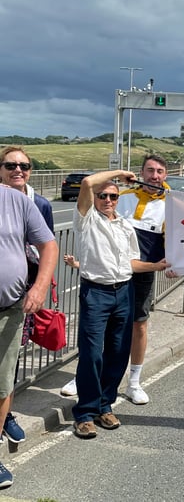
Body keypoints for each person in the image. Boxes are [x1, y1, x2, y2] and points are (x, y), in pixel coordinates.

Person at [61, 154, 171, 405]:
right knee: (98, 330)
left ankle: (133, 382)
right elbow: (98, 212)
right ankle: (85, 377)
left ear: (165, 175)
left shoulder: (173, 203)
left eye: (160, 171)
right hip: (110, 274)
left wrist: (171, 265)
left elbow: (177, 242)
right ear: (141, 173)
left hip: (142, 271)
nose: (154, 176)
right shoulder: (123, 196)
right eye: (150, 170)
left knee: (138, 325)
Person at [0, 181, 58, 487]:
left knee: (1, 384)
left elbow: (49, 245)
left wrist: (39, 287)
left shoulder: (15, 200)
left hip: (7, 312)